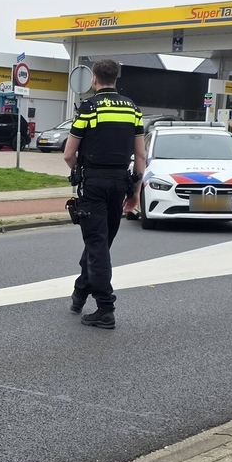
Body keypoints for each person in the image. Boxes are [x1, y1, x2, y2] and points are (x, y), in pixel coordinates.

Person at [62, 59, 146, 329]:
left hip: (94, 184)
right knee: (100, 243)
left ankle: (105, 308)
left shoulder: (89, 108)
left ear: (94, 79)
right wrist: (136, 190)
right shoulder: (133, 109)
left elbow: (68, 153)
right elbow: (141, 155)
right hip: (121, 182)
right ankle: (79, 294)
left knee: (97, 245)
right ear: (116, 78)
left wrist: (80, 170)